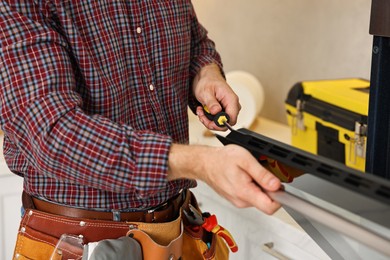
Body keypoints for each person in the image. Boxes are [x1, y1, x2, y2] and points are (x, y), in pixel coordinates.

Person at [0, 0, 281, 259]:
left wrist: (205, 72)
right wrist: (199, 162)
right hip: (77, 244)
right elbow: (52, 135)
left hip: (179, 230)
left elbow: (196, 40)